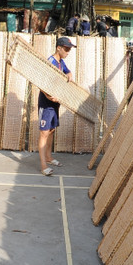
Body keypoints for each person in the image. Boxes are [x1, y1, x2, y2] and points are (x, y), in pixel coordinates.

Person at [38, 36, 75, 176]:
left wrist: (69, 74)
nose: (68, 52)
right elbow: (39, 81)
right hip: (46, 103)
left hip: (55, 103)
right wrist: (48, 96)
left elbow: (67, 71)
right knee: (44, 133)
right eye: (66, 49)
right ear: (58, 48)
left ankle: (48, 157)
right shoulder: (50, 62)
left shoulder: (61, 62)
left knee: (52, 130)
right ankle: (43, 165)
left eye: (69, 49)